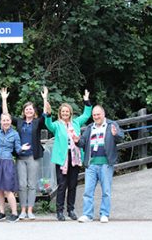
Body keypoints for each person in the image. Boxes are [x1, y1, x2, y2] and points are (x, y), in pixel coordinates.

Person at [0, 87, 48, 220]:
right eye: (26, 109)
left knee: (32, 184)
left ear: (34, 111)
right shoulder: (20, 122)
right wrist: (4, 99)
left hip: (33, 157)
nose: (29, 110)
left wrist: (45, 99)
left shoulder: (38, 122)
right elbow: (6, 115)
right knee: (22, 185)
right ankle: (22, 210)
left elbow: (46, 114)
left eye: (31, 109)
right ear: (24, 111)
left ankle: (30, 210)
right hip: (20, 157)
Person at [44, 88, 92, 221]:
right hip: (62, 159)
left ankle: (71, 209)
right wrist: (48, 114)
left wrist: (86, 101)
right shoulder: (56, 125)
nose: (65, 113)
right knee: (62, 185)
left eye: (67, 111)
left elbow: (86, 115)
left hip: (75, 159)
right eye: (63, 111)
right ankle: (60, 211)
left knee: (72, 185)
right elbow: (48, 123)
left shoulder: (76, 122)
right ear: (60, 113)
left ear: (70, 113)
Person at [74, 105, 124, 223]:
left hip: (105, 164)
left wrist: (115, 134)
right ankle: (87, 215)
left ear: (103, 114)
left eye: (98, 114)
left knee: (106, 190)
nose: (96, 117)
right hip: (91, 163)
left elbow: (121, 138)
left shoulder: (112, 125)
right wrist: (77, 141)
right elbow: (82, 142)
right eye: (94, 115)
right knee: (88, 191)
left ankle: (104, 214)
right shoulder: (90, 127)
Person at [0, 114, 31, 223]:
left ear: (10, 121)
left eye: (7, 120)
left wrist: (22, 148)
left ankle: (14, 213)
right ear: (0, 122)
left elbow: (18, 149)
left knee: (8, 189)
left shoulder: (15, 134)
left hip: (7, 162)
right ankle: (2, 213)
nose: (5, 122)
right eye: (3, 120)